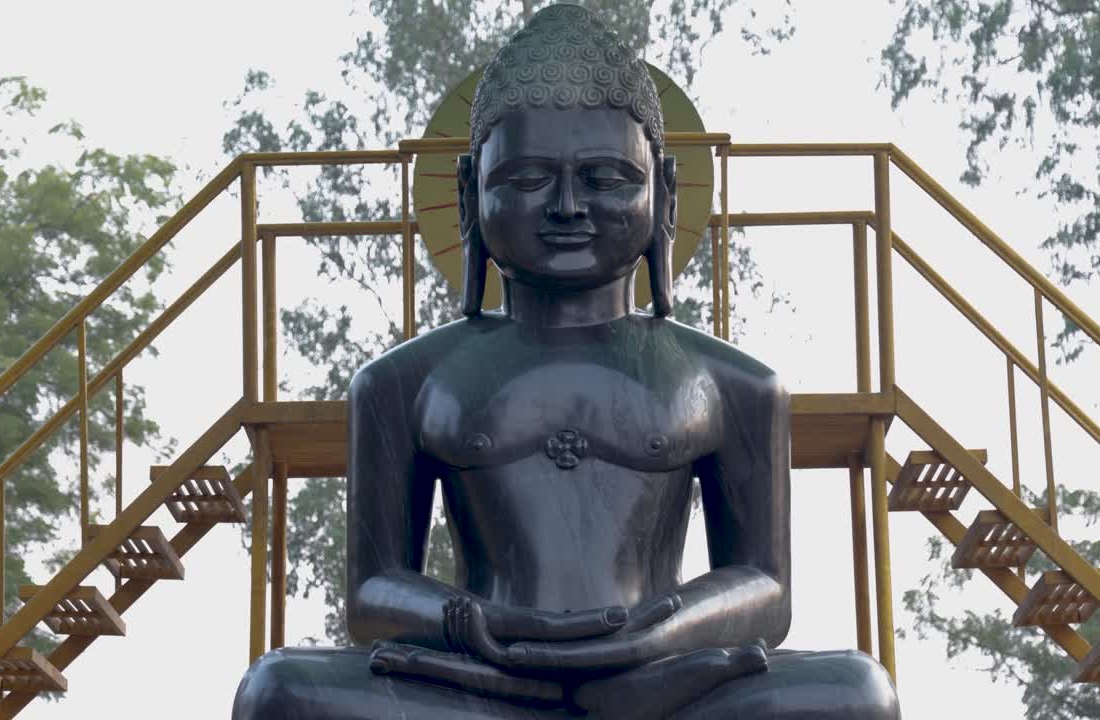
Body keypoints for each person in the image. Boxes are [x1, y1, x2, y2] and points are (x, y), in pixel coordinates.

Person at [233, 5, 899, 718]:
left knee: (857, 693)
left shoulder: (732, 382)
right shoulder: (403, 381)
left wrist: (663, 628)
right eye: (525, 179)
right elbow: (372, 591)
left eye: (606, 178)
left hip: (661, 690)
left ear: (664, 195)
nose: (568, 207)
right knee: (279, 691)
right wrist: (468, 622)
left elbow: (765, 586)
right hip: (483, 688)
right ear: (468, 195)